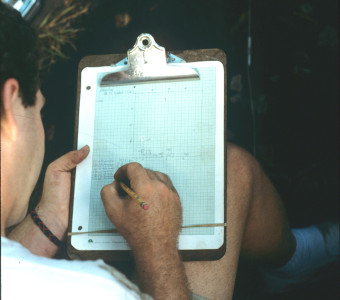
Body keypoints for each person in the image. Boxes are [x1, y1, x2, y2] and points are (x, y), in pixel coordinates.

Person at [1, 3, 338, 300]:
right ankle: (291, 265)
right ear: (9, 105)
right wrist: (157, 245)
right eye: (38, 110)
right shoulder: (96, 290)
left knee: (231, 168)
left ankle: (290, 263)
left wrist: (51, 217)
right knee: (232, 173)